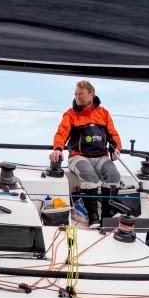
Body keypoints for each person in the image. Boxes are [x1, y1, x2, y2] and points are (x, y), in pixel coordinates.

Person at [49, 80, 122, 227]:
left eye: (81, 94)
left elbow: (113, 134)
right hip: (78, 156)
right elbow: (61, 133)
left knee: (113, 174)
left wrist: (117, 148)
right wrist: (57, 148)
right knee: (88, 175)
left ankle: (107, 217)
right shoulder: (71, 114)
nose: (77, 97)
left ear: (91, 94)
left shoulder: (104, 113)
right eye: (76, 94)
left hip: (101, 156)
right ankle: (93, 217)